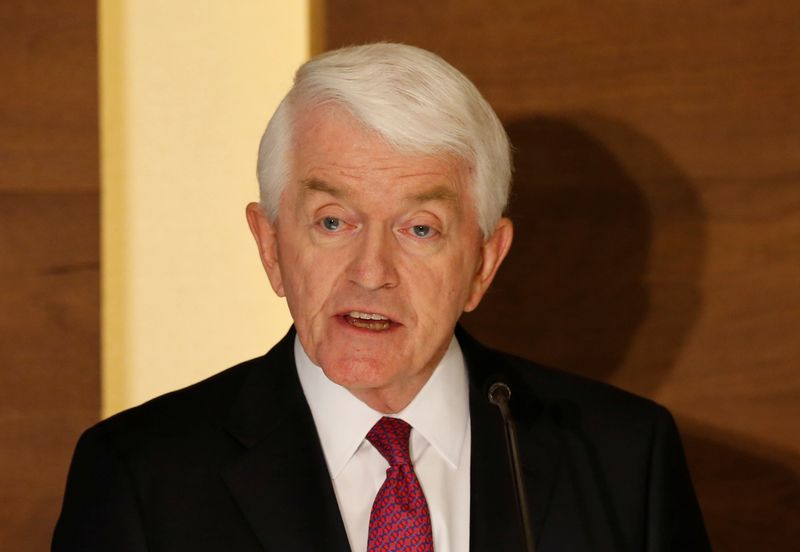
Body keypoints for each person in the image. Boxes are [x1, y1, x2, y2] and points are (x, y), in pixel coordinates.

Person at [53, 43, 710, 551]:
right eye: (333, 222)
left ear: (484, 260)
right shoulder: (142, 477)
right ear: (270, 246)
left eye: (419, 229)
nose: (371, 272)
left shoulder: (625, 458)